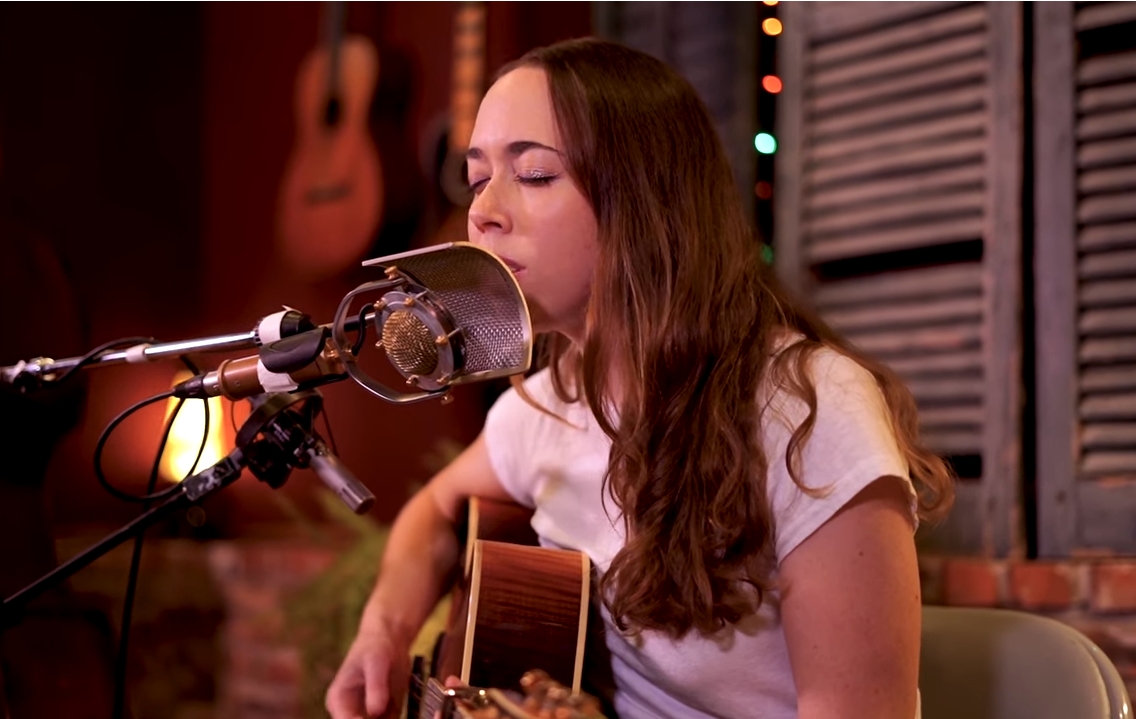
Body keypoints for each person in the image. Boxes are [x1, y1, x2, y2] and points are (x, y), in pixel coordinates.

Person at [325, 38, 954, 719]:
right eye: (478, 179)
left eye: (534, 174)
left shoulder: (809, 414)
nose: (483, 213)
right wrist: (383, 631)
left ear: (644, 201)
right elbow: (436, 512)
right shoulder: (548, 402)